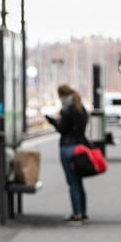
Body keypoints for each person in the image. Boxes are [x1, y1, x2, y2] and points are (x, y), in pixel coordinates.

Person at [46, 83, 89, 223]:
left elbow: (62, 129)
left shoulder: (67, 109)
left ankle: (77, 213)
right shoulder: (81, 108)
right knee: (79, 181)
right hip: (80, 148)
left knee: (73, 182)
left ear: (62, 95)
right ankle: (82, 211)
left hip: (68, 148)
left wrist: (53, 121)